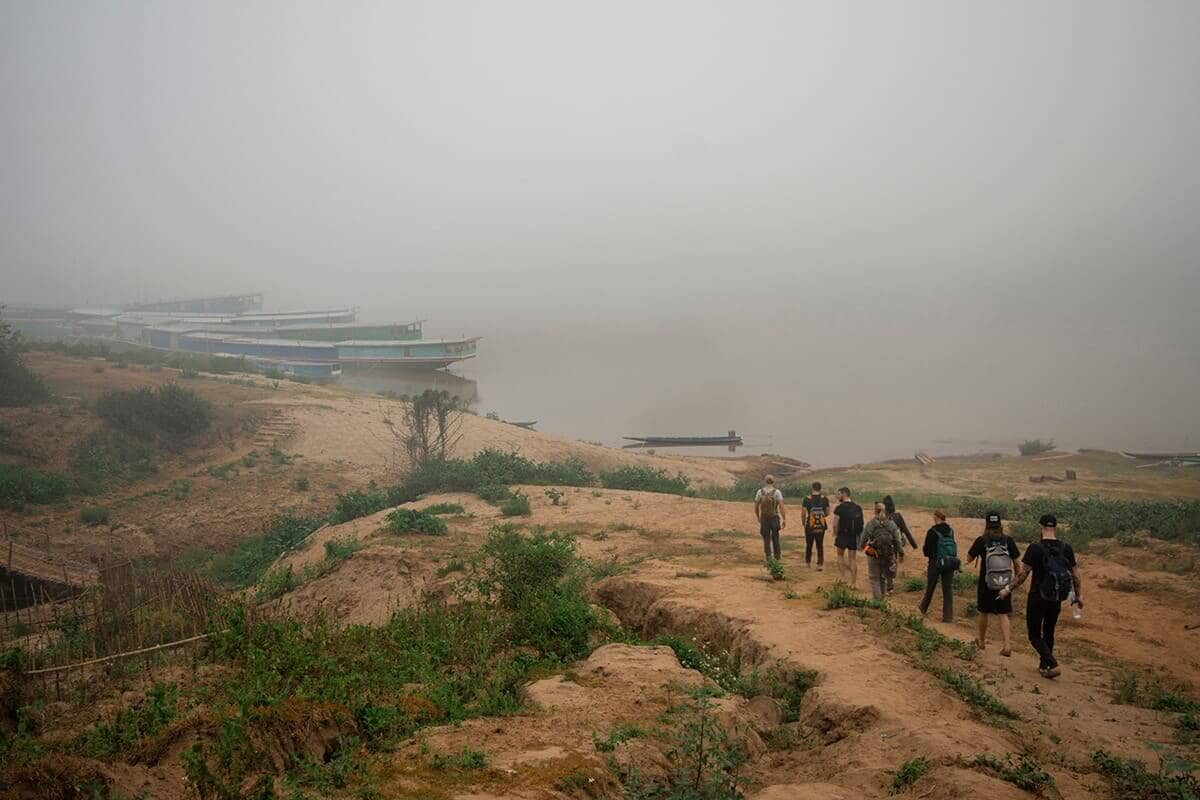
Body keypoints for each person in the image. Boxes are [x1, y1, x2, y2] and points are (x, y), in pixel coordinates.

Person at [1000, 514, 1082, 678]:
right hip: (1057, 596)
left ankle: (1052, 663)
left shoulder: (1035, 548)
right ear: (1055, 528)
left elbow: (1023, 575)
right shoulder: (1066, 548)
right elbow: (1075, 576)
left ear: (1041, 528)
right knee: (1049, 631)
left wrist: (1007, 588)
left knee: (1034, 634)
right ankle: (1045, 667)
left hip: (1038, 596)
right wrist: (1078, 597)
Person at [967, 511, 1021, 655]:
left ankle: (982, 641)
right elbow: (1016, 562)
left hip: (986, 583)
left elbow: (969, 558)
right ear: (1000, 524)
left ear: (987, 524)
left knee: (983, 612)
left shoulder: (981, 540)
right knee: (1003, 614)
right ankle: (1007, 646)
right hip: (1004, 583)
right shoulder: (1008, 540)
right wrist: (1015, 580)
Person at [918, 510, 958, 622]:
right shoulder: (951, 531)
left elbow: (926, 551)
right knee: (947, 589)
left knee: (930, 587)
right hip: (949, 562)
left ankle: (922, 609)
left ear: (936, 517)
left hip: (935, 562)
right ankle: (948, 617)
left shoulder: (932, 531)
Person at [860, 502, 901, 600]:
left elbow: (863, 541)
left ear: (875, 511)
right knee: (883, 578)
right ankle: (882, 600)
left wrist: (867, 549)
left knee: (874, 579)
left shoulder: (871, 524)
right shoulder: (891, 524)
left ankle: (878, 602)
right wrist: (899, 554)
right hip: (888, 555)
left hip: (874, 555)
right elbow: (897, 541)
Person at [883, 495, 919, 591]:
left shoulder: (882, 517)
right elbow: (905, 530)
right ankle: (890, 584)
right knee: (892, 561)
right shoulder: (898, 516)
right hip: (896, 543)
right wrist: (913, 544)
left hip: (885, 543)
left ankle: (886, 583)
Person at [831, 487, 863, 585]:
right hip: (853, 535)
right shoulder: (857, 507)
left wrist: (835, 533)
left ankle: (843, 578)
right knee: (852, 559)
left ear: (844, 494)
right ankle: (853, 582)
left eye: (839, 494)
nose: (838, 496)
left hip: (842, 534)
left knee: (840, 555)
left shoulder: (839, 508)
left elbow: (835, 524)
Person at [754, 475, 786, 565]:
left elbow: (756, 506)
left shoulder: (760, 492)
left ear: (765, 481)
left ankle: (768, 558)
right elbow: (781, 506)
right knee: (776, 537)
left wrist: (758, 517)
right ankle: (777, 558)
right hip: (774, 517)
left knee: (766, 538)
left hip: (764, 518)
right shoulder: (777, 492)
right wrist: (784, 519)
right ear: (773, 481)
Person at [801, 481, 830, 570]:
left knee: (809, 544)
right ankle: (820, 564)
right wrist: (821, 516)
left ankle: (808, 563)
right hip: (821, 526)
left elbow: (803, 513)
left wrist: (803, 522)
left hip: (810, 525)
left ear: (812, 488)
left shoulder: (807, 499)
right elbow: (828, 512)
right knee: (819, 544)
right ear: (820, 488)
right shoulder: (825, 498)